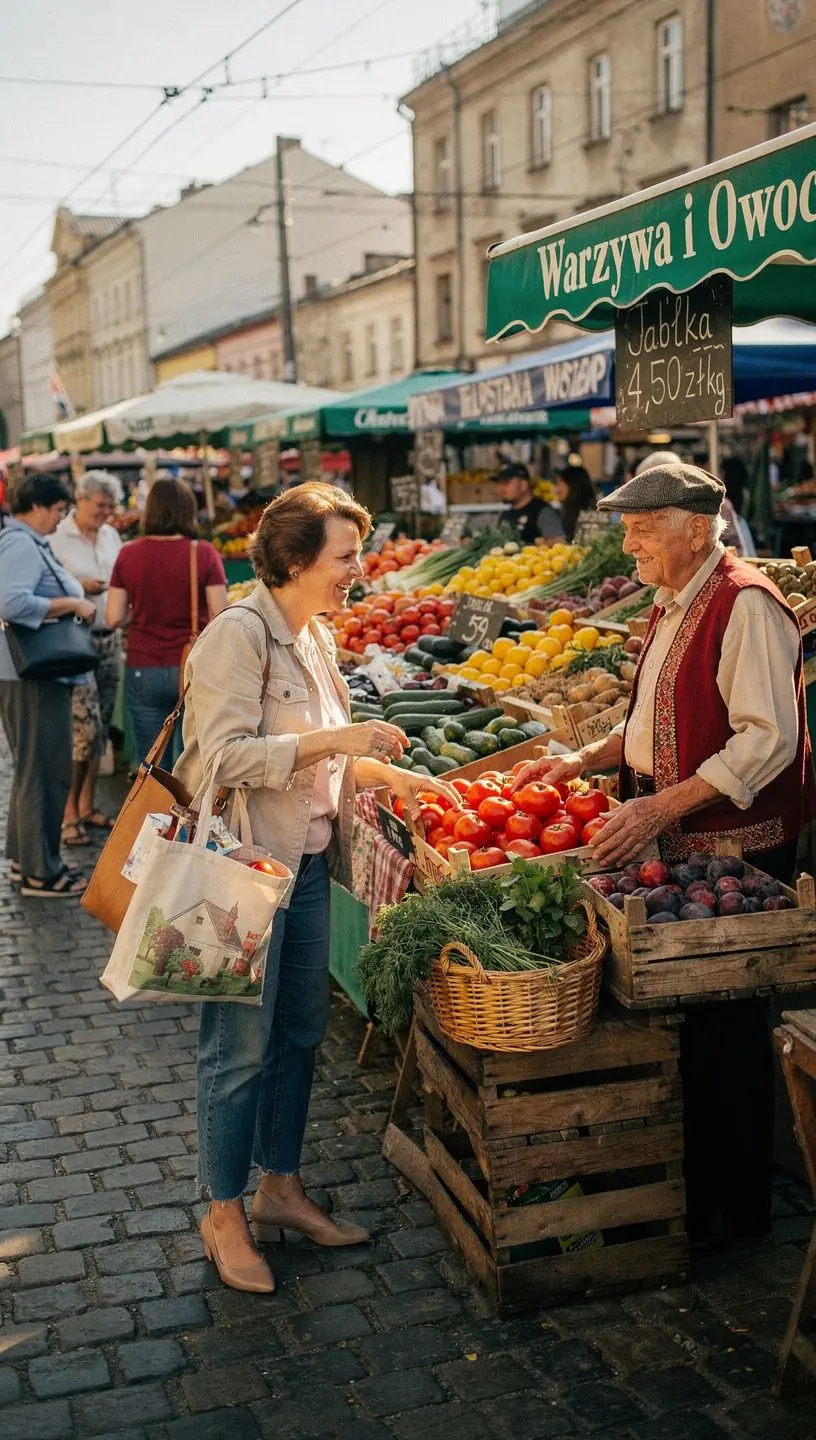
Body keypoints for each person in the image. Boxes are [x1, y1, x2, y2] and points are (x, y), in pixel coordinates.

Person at [512, 461, 816, 1252]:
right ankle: (694, 1197)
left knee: (728, 1038)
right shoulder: (672, 600)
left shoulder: (746, 604)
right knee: (690, 1035)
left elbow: (770, 741)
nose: (627, 542)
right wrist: (584, 763)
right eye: (626, 526)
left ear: (692, 527)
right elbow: (654, 718)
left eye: (641, 527)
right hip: (679, 843)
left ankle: (733, 1218)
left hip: (734, 856)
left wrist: (661, 805)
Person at [174, 482, 461, 1293]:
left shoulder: (315, 638)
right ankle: (223, 1213)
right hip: (242, 874)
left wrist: (387, 772)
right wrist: (338, 736)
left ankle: (281, 1188)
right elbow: (216, 760)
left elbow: (324, 762)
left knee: (299, 1036)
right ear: (295, 559)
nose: (358, 570)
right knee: (237, 1051)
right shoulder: (238, 636)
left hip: (305, 872)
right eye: (345, 557)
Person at [0, 474, 96, 897]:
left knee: (32, 770)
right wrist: (72, 603)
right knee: (44, 772)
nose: (61, 519)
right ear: (37, 506)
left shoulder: (24, 542)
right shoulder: (20, 543)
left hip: (33, 674)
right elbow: (11, 601)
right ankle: (42, 873)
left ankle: (29, 863)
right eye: (58, 510)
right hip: (36, 675)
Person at [106, 477, 227, 767]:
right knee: (190, 764)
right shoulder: (203, 552)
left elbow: (113, 617)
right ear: (187, 511)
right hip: (191, 669)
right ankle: (183, 814)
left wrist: (143, 610)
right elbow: (221, 616)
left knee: (150, 765)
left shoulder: (128, 553)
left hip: (143, 666)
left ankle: (150, 813)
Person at [51, 471, 124, 845]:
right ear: (81, 499)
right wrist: (80, 587)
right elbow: (46, 587)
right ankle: (67, 813)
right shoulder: (56, 538)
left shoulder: (111, 535)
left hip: (109, 640)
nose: (106, 513)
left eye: (111, 507)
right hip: (74, 640)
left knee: (102, 728)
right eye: (100, 506)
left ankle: (86, 804)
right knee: (84, 730)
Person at [493, 461, 564, 544]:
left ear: (523, 484)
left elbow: (558, 542)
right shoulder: (506, 514)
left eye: (506, 483)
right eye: (499, 484)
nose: (500, 489)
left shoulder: (541, 511)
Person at [556, 461, 596, 541]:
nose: (557, 490)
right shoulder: (568, 512)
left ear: (573, 486)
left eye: (560, 483)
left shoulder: (579, 516)